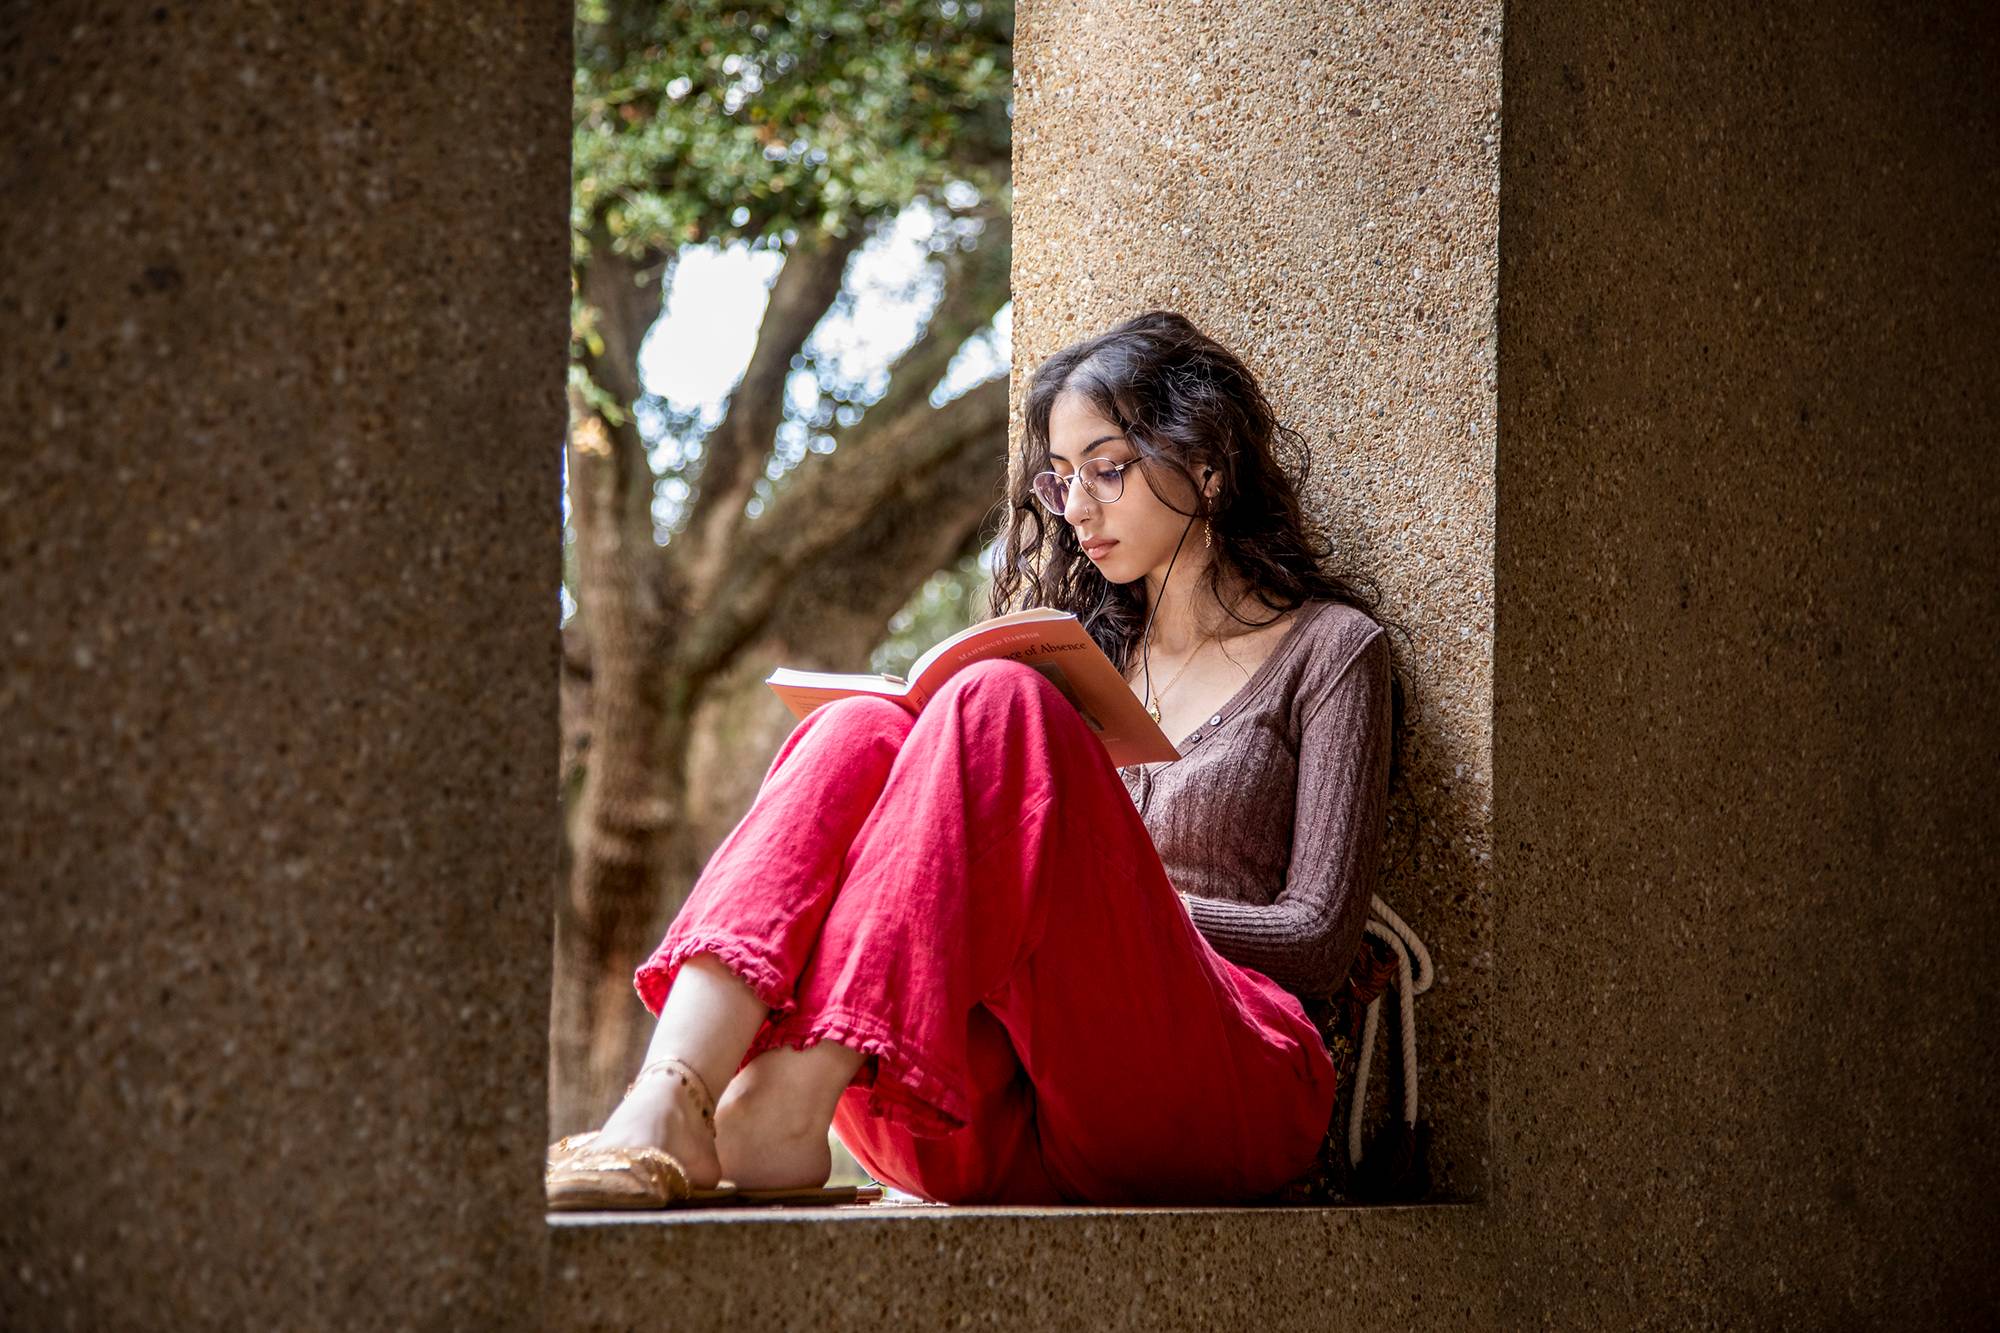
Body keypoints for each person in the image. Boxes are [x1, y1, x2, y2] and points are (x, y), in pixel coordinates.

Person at [546, 309, 1405, 1208]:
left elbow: (1316, 941)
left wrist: (1097, 887)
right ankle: (678, 1088)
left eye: (1107, 470)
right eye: (1061, 478)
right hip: (997, 1111)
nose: (1075, 510)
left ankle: (789, 1095)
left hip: (1220, 1088)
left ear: (1208, 464)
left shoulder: (1331, 650)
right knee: (858, 730)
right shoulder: (1086, 658)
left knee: (999, 701)